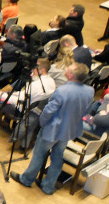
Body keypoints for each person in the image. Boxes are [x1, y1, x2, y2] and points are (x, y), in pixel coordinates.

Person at [11, 63, 94, 195]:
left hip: (53, 129)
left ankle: (26, 179)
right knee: (57, 157)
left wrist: (42, 122)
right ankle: (48, 186)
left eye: (69, 68)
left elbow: (49, 111)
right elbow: (87, 111)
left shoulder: (62, 91)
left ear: (71, 75)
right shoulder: (90, 91)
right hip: (69, 129)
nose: (66, 68)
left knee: (38, 154)